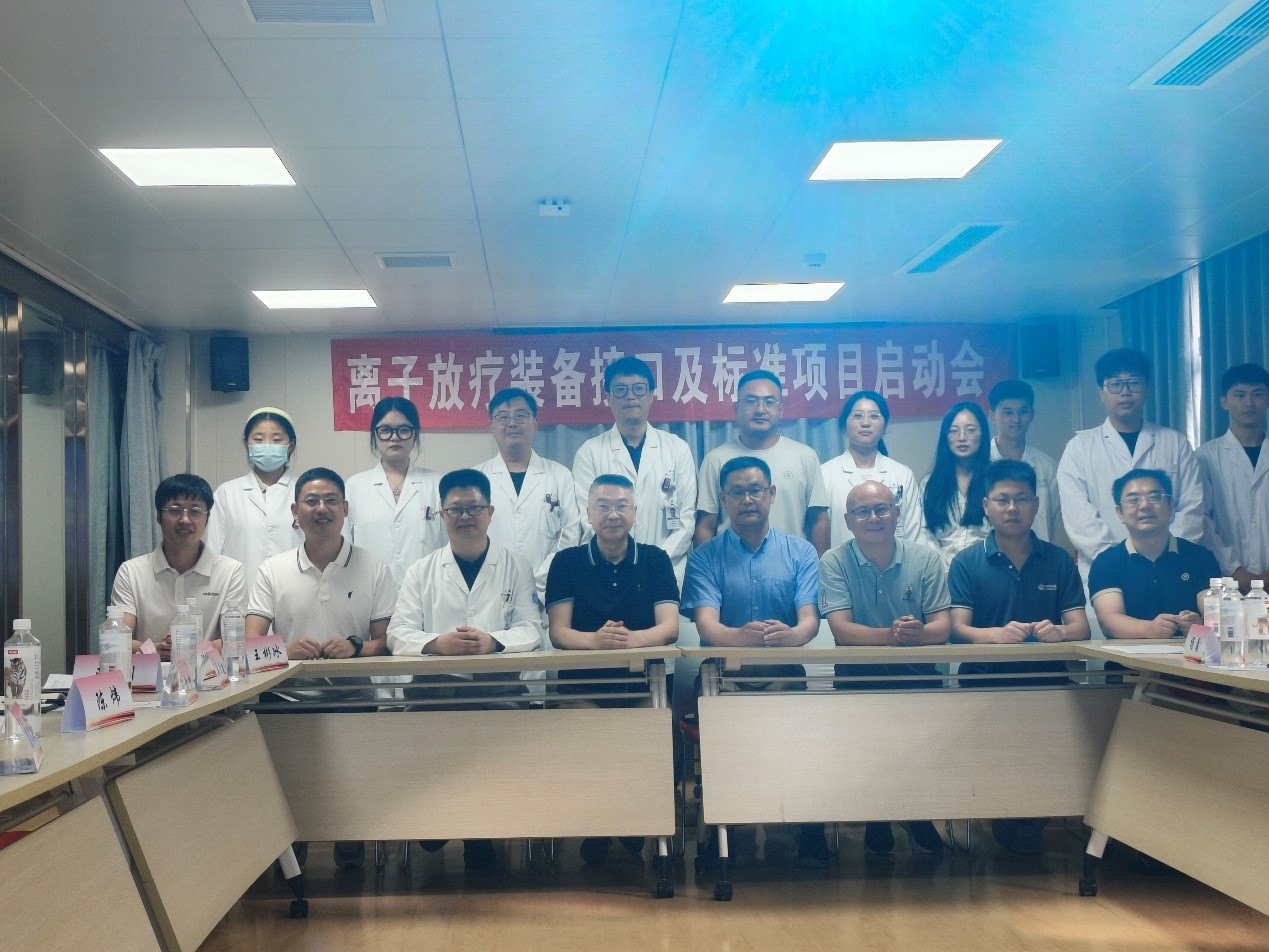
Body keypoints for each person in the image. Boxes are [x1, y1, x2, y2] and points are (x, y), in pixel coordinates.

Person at [386, 468, 540, 872]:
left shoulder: (516, 566)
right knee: (437, 739)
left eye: (474, 508)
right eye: (455, 509)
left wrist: (493, 641)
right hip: (434, 691)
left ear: (490, 512)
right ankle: (440, 817)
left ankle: (478, 834)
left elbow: (532, 629)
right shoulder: (421, 570)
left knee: (494, 743)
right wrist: (437, 644)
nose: (465, 516)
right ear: (441, 515)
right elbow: (397, 633)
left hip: (498, 691)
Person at [246, 466, 396, 873]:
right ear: (295, 512)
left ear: (345, 509)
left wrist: (355, 648)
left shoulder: (374, 567)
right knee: (289, 784)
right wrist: (286, 650)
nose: (321, 509)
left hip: (353, 697)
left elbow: (385, 642)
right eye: (311, 501)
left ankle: (349, 839)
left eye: (331, 500)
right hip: (286, 698)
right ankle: (294, 844)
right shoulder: (272, 569)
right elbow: (250, 643)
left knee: (351, 781)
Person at [681, 456, 822, 867]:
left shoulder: (801, 551)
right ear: (723, 499)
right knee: (728, 743)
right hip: (723, 677)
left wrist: (793, 635)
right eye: (737, 492)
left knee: (795, 742)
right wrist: (738, 639)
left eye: (756, 490)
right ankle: (722, 831)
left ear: (772, 494)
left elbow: (809, 620)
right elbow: (707, 625)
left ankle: (804, 829)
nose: (747, 499)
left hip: (783, 671)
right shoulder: (705, 556)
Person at [948, 460, 1090, 855]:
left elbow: (1080, 627)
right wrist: (995, 635)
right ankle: (1007, 818)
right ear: (986, 505)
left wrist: (1059, 632)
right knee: (996, 760)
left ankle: (1030, 820)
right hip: (984, 684)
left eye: (1022, 499)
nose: (1012, 508)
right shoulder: (967, 562)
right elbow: (957, 629)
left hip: (1047, 683)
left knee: (1045, 757)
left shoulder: (1058, 560)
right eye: (1002, 500)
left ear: (1036, 504)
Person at [545, 473, 679, 864]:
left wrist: (629, 640)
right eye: (603, 506)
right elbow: (558, 632)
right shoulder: (567, 562)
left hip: (643, 687)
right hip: (583, 689)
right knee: (589, 744)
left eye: (622, 506)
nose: (613, 514)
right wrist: (596, 641)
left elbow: (669, 628)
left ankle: (632, 819)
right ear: (588, 513)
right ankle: (603, 824)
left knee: (651, 742)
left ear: (635, 512)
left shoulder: (654, 559)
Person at [819, 480, 950, 859]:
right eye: (862, 511)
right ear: (848, 520)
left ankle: (917, 817)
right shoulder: (833, 561)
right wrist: (890, 636)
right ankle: (876, 820)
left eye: (881, 509)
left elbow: (943, 627)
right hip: (859, 678)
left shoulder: (925, 559)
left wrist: (919, 634)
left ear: (897, 514)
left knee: (918, 753)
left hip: (917, 676)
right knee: (869, 754)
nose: (873, 518)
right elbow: (841, 630)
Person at [1057, 348, 1205, 579]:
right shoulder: (1079, 448)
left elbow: (1191, 509)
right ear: (1101, 393)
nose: (1125, 392)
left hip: (1169, 570)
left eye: (1134, 383)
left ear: (1146, 390)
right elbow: (1079, 518)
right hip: (1106, 573)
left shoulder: (1175, 444)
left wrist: (1162, 556)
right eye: (1115, 384)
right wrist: (1121, 562)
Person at [572, 356, 697, 584]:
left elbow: (686, 521)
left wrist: (653, 563)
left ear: (651, 395)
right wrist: (621, 561)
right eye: (620, 390)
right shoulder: (589, 453)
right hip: (606, 573)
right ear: (608, 398)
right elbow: (587, 518)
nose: (630, 397)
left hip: (665, 572)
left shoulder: (678, 449)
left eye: (639, 389)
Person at [696, 370, 831, 554]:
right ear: (736, 408)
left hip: (793, 566)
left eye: (769, 402)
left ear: (781, 409)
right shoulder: (716, 459)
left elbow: (819, 520)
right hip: (730, 565)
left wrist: (819, 568)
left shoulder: (805, 456)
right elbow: (706, 525)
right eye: (751, 401)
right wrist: (703, 568)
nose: (760, 409)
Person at [110, 473, 246, 651]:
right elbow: (118, 637)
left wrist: (189, 650)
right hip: (150, 667)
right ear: (159, 516)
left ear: (207, 518)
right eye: (175, 510)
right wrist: (153, 650)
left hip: (209, 668)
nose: (185, 520)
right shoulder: (131, 571)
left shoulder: (230, 571)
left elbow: (234, 639)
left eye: (195, 511)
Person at [478, 387, 583, 599]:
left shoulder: (560, 475)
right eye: (502, 417)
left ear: (535, 424)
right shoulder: (477, 479)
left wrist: (537, 582)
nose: (512, 423)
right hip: (489, 591)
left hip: (548, 591)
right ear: (491, 427)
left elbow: (570, 535)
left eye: (521, 415)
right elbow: (469, 537)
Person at [1088, 469, 1217, 639]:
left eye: (1155, 497)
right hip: (1125, 657)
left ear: (1171, 505)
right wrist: (1150, 629)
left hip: (1188, 655)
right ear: (1120, 513)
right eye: (1133, 500)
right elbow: (1109, 620)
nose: (1144, 506)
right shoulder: (1106, 563)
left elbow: (1215, 617)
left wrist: (1200, 625)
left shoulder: (1200, 557)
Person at [344, 397, 445, 587]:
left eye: (404, 429)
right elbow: (344, 548)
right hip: (369, 591)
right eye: (385, 430)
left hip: (427, 591)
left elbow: (449, 547)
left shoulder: (437, 484)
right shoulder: (354, 486)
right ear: (374, 435)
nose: (394, 437)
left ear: (415, 434)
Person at [205, 407, 303, 587]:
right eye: (258, 439)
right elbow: (212, 553)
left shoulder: (305, 492)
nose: (267, 445)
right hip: (241, 594)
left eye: (277, 439)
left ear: (291, 445)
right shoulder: (227, 493)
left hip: (296, 592)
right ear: (247, 444)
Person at [821, 390, 926, 549]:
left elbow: (915, 534)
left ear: (884, 426)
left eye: (874, 416)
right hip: (842, 563)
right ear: (843, 425)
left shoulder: (902, 474)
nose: (865, 423)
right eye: (857, 416)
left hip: (896, 564)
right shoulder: (824, 474)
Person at [1198, 363, 1269, 593]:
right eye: (1239, 395)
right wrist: (1234, 569)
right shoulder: (1205, 456)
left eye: (1257, 394)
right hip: (1225, 578)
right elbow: (1202, 518)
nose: (1249, 403)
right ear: (1224, 402)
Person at [920, 401, 992, 569]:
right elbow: (926, 534)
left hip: (988, 570)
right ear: (945, 437)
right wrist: (943, 570)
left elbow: (1004, 531)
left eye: (970, 430)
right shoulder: (930, 484)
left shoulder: (996, 480)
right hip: (942, 572)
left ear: (983, 434)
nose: (962, 437)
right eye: (953, 431)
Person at [988, 379, 1059, 542]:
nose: (1016, 419)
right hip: (990, 555)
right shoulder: (980, 464)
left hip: (1038, 554)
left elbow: (1052, 519)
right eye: (1008, 412)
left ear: (1032, 414)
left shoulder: (1047, 467)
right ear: (992, 416)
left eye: (1023, 411)